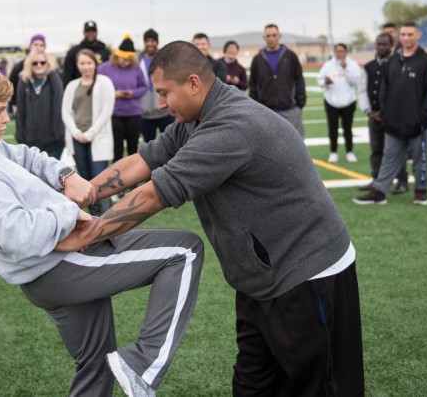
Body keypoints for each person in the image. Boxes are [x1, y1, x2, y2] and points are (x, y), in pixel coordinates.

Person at [59, 41, 365, 396]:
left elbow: (152, 195)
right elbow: (141, 162)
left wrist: (84, 237)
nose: (159, 104)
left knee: (318, 388)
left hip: (308, 275)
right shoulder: (195, 118)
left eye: (164, 93)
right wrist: (84, 194)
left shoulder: (229, 127)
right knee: (251, 386)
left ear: (192, 83)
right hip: (260, 279)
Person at [0, 63, 203, 397]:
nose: (7, 119)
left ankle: (128, 367)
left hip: (50, 271)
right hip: (60, 270)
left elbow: (28, 156)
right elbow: (20, 237)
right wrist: (68, 211)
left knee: (97, 364)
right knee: (185, 251)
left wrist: (67, 175)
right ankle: (143, 365)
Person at [354, 22, 427, 206]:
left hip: (418, 124)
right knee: (388, 159)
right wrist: (385, 112)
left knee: (420, 159)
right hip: (393, 123)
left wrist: (422, 117)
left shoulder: (426, 62)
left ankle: (420, 192)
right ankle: (379, 193)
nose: (406, 38)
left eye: (410, 34)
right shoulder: (393, 60)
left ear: (418, 35)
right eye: (403, 34)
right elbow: (384, 88)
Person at [62, 49, 115, 216]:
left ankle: (106, 220)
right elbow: (66, 112)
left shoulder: (104, 82)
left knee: (100, 182)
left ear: (95, 64)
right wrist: (76, 132)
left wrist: (90, 134)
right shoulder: (72, 85)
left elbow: (107, 111)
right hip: (77, 138)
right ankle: (93, 219)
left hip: (97, 138)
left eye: (89, 63)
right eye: (82, 63)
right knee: (85, 181)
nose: (86, 67)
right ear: (77, 65)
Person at [357, 33, 409, 193]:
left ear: (391, 45)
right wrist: (368, 111)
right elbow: (362, 90)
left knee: (396, 150)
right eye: (378, 44)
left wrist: (390, 112)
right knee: (376, 149)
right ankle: (376, 180)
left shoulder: (400, 64)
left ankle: (402, 181)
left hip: (393, 117)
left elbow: (402, 91)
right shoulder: (369, 66)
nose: (380, 47)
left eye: (384, 44)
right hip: (374, 117)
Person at [249, 24, 307, 137]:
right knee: (268, 148)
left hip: (290, 110)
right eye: (268, 36)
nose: (271, 38)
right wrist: (257, 106)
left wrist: (300, 103)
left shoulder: (291, 56)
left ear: (279, 36)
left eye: (274, 35)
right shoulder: (257, 59)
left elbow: (299, 79)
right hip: (266, 112)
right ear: (264, 37)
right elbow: (253, 84)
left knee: (295, 146)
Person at [98, 34, 147, 164]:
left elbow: (143, 87)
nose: (126, 63)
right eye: (123, 59)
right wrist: (112, 94)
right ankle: (116, 180)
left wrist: (132, 93)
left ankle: (134, 182)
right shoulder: (104, 68)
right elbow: (98, 87)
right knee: (117, 149)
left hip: (133, 113)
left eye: (129, 60)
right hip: (115, 114)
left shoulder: (136, 67)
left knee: (133, 150)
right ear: (116, 56)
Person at [14, 49, 65, 159]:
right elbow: (21, 110)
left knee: (51, 176)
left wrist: (58, 135)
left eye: (42, 62)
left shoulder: (54, 80)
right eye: (35, 63)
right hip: (30, 144)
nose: (39, 65)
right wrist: (21, 136)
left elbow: (59, 107)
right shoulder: (24, 81)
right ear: (29, 64)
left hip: (53, 143)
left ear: (48, 64)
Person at [317, 43, 361, 163]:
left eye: (342, 51)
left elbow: (355, 82)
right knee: (333, 128)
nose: (339, 54)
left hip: (348, 101)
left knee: (348, 128)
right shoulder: (328, 65)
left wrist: (345, 68)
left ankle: (350, 151)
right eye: (337, 51)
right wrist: (325, 81)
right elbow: (319, 80)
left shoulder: (352, 65)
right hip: (331, 101)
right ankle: (333, 152)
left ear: (346, 52)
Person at [139, 28, 174, 142]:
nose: (150, 43)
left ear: (157, 42)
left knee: (170, 143)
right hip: (145, 113)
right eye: (147, 41)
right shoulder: (137, 60)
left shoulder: (165, 58)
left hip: (165, 111)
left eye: (152, 41)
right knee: (149, 146)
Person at [62, 20, 112, 86]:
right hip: (80, 87)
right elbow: (68, 74)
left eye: (93, 31)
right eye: (88, 31)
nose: (90, 34)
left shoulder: (105, 52)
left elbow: (111, 72)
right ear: (84, 33)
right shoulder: (74, 52)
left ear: (97, 33)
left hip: (101, 87)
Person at [9, 34, 47, 113]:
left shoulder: (49, 67)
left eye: (41, 45)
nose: (38, 47)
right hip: (25, 109)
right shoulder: (19, 67)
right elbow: (11, 87)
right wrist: (17, 104)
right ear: (30, 46)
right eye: (35, 44)